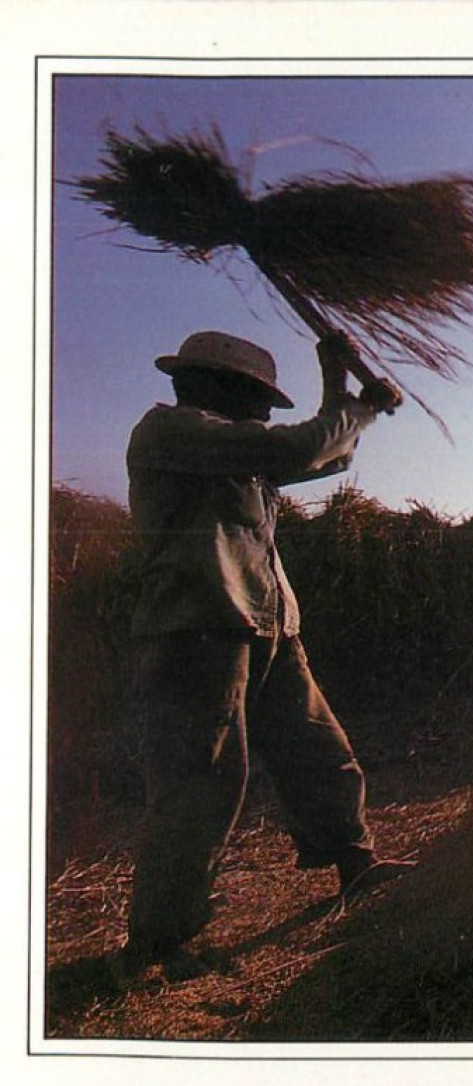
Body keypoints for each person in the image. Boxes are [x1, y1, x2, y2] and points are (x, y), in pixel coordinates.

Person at [116, 329, 412, 981]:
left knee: (319, 751)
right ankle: (157, 943)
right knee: (200, 784)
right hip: (199, 630)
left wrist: (337, 383)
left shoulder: (238, 452)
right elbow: (303, 445)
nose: (263, 415)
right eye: (258, 401)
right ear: (220, 388)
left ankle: (355, 862)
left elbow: (322, 458)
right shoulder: (172, 431)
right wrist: (358, 405)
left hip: (269, 624)